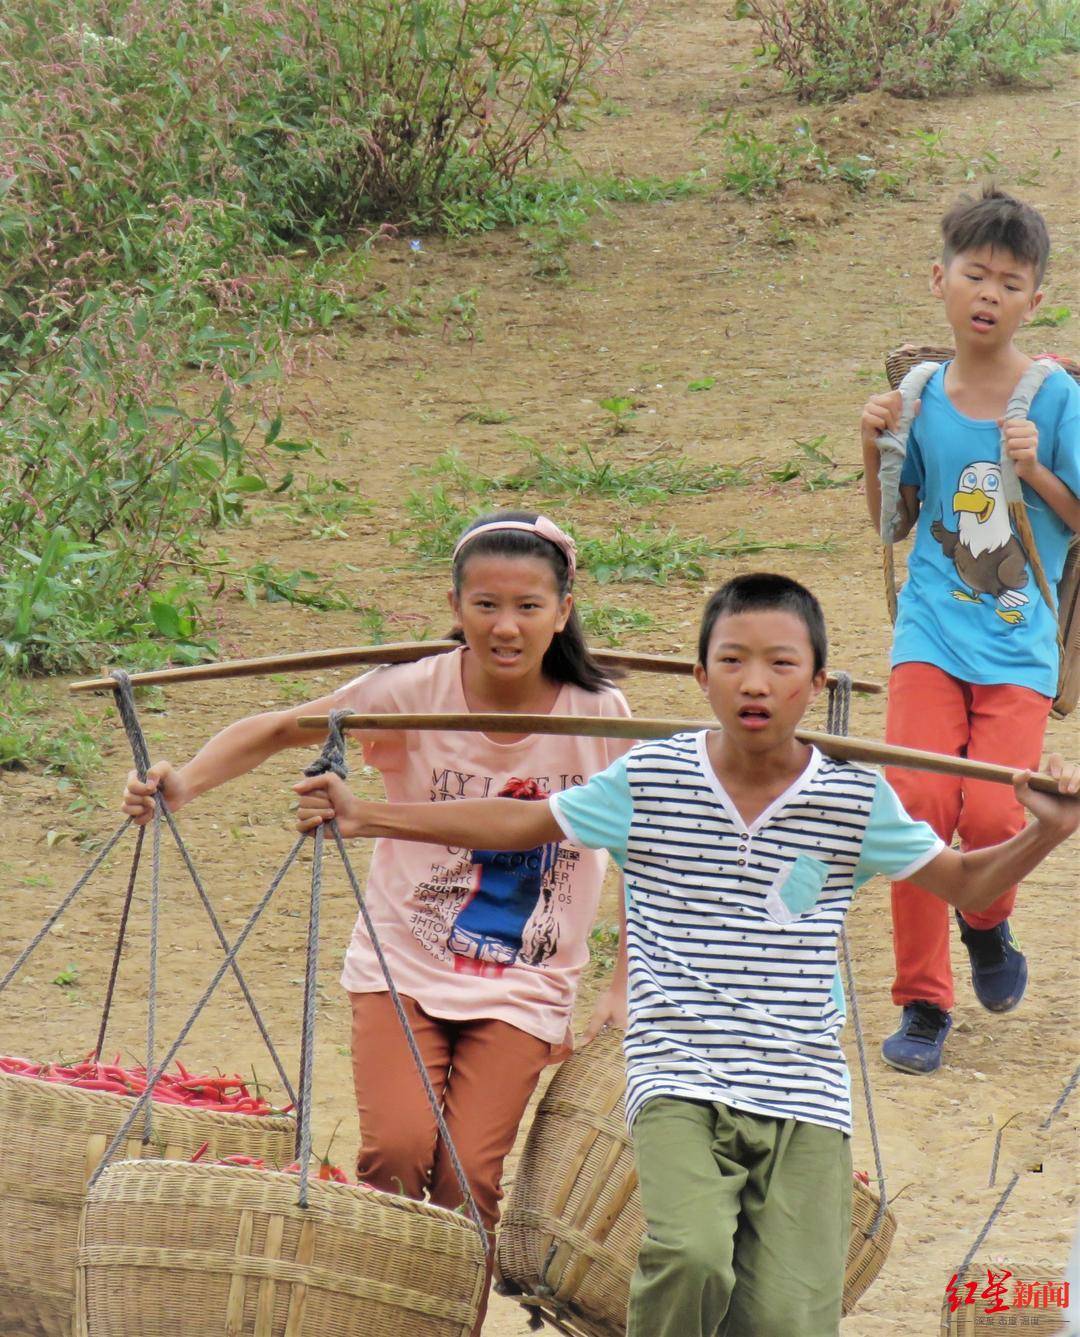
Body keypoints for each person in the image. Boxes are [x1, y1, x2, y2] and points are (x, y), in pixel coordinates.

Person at [294, 572, 1080, 1337]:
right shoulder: (653, 776)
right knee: (693, 1254)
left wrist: (1044, 830)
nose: (756, 682)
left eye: (782, 663)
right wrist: (371, 814)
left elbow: (965, 879)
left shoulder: (852, 797)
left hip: (802, 1082)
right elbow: (519, 824)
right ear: (702, 675)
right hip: (679, 1071)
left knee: (786, 1317)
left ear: (816, 682)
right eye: (733, 659)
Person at [120, 510, 635, 1333]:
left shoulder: (600, 713)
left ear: (564, 609)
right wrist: (181, 783)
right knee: (395, 1152)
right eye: (486, 604)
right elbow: (280, 727)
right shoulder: (411, 689)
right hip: (402, 960)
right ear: (456, 604)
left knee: (470, 1176)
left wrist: (620, 982)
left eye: (530, 606)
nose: (507, 626)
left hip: (528, 979)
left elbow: (643, 847)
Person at [860, 185, 1080, 1074]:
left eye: (1010, 281)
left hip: (1018, 643)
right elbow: (892, 524)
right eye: (974, 274)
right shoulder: (918, 392)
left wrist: (1036, 473)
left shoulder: (1055, 395)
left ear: (1036, 299)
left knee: (993, 808)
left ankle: (985, 923)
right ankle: (922, 999)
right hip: (929, 634)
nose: (988, 293)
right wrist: (866, 442)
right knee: (913, 803)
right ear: (939, 279)